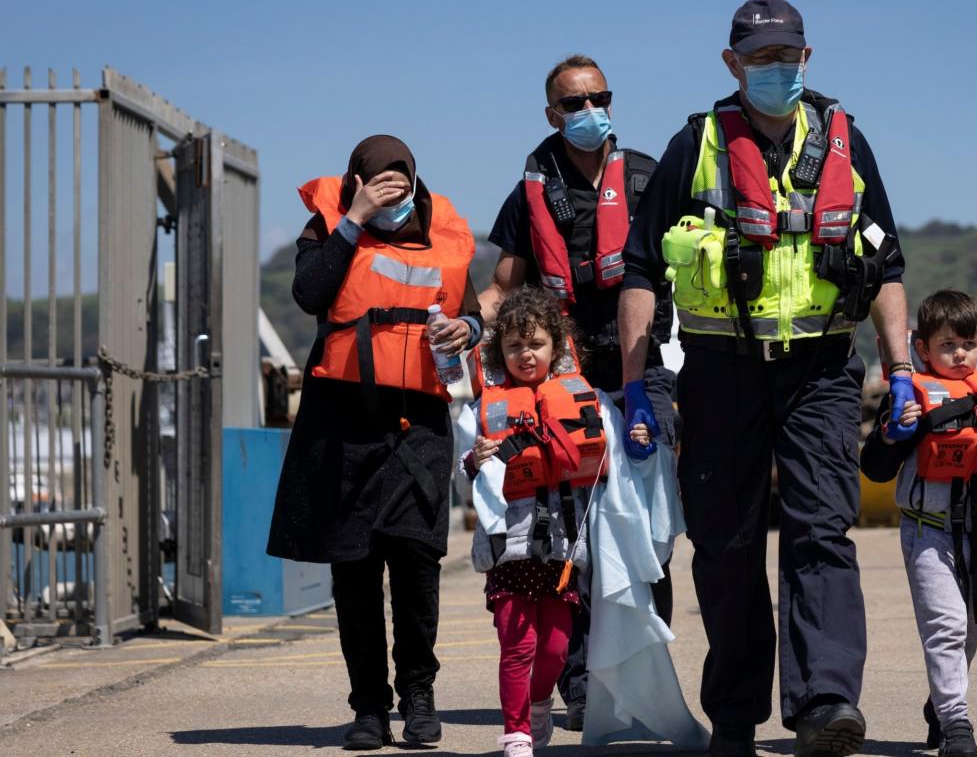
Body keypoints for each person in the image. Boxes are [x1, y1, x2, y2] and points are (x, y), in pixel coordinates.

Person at [616, 0, 918, 757]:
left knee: (822, 531)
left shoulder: (848, 144)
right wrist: (633, 382)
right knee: (726, 544)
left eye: (785, 56)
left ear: (807, 58)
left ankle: (825, 704)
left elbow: (884, 265)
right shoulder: (696, 145)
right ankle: (735, 716)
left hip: (820, 369)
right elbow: (641, 270)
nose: (774, 70)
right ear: (731, 64)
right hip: (720, 371)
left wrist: (903, 369)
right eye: (758, 59)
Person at [479, 53, 677, 730]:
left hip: (643, 371)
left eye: (599, 97)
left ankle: (643, 677)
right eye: (573, 103)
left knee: (646, 533)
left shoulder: (650, 178)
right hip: (565, 380)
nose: (589, 111)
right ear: (551, 114)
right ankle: (583, 682)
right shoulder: (529, 191)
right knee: (571, 536)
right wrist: (457, 324)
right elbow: (502, 289)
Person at [266, 135, 483, 750]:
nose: (392, 192)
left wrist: (463, 329)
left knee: (416, 564)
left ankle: (419, 693)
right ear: (355, 181)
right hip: (343, 424)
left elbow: (472, 313)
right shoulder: (331, 223)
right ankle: (368, 706)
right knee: (355, 572)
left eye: (400, 182)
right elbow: (310, 292)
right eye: (377, 182)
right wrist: (355, 220)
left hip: (418, 423)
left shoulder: (443, 230)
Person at [456, 289, 703, 756]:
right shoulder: (480, 413)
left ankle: (539, 703)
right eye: (513, 347)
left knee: (554, 647)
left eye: (535, 345)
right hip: (510, 551)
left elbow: (621, 456)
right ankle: (516, 734)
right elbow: (463, 466)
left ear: (557, 346)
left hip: (565, 553)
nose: (525, 355)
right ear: (498, 354)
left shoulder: (588, 401)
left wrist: (639, 434)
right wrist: (475, 459)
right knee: (518, 645)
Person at [861, 290, 977, 757]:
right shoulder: (912, 399)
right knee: (947, 625)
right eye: (947, 345)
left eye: (968, 344)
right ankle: (957, 723)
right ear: (923, 349)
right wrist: (892, 431)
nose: (960, 354)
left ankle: (940, 704)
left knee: (972, 627)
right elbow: (875, 468)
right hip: (927, 531)